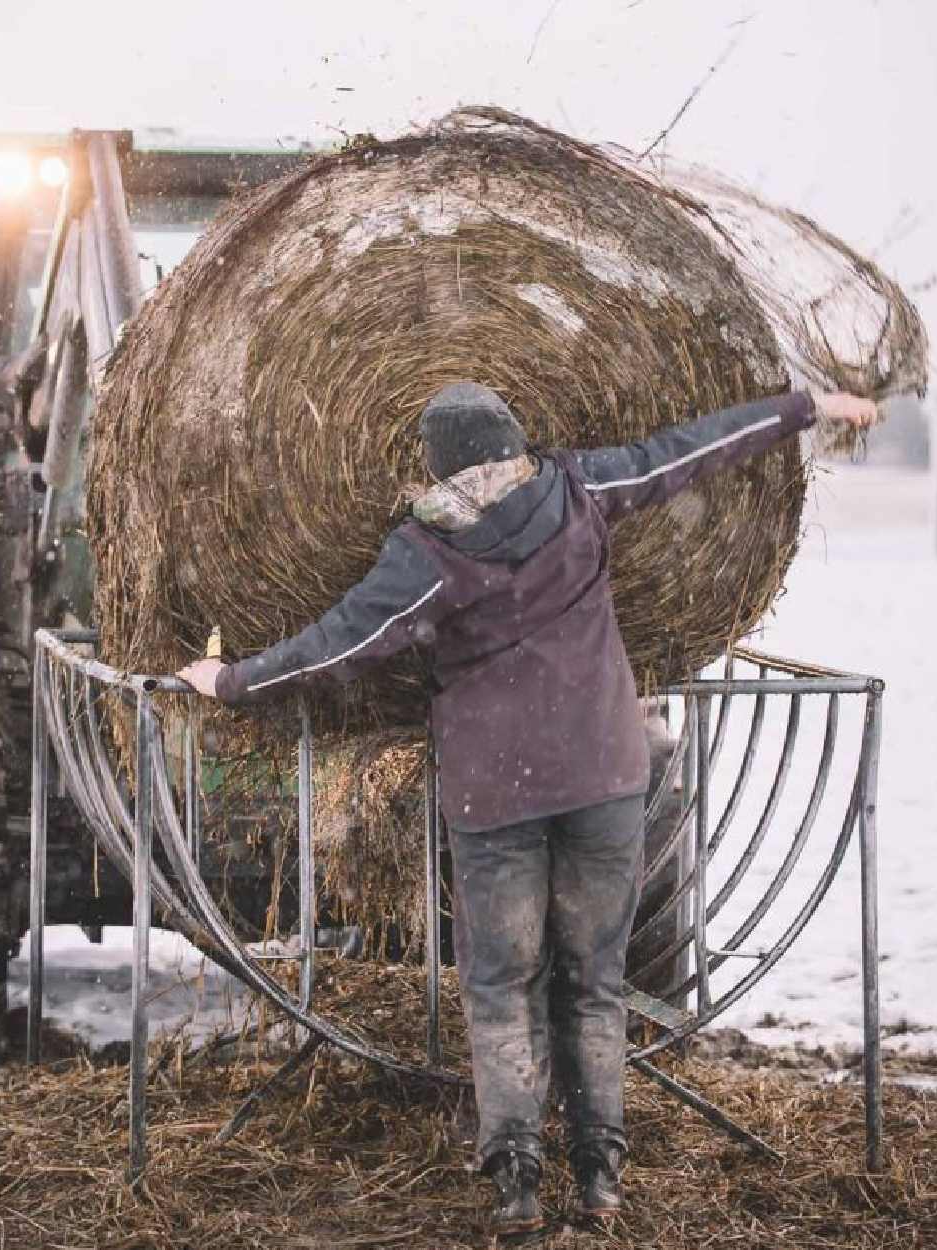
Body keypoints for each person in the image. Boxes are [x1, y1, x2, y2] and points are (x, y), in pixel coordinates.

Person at [179, 380, 876, 1235]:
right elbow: (688, 451)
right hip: (605, 780)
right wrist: (806, 408)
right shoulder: (579, 489)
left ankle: (517, 1181)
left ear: (438, 464)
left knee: (502, 986)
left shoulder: (427, 550)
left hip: (496, 794)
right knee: (595, 983)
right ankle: (601, 1178)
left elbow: (341, 645)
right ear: (513, 441)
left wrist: (230, 680)